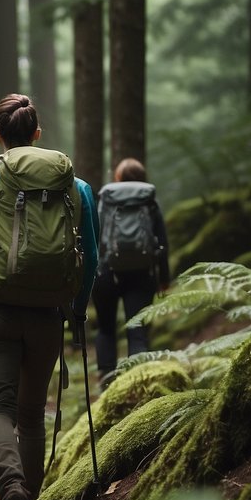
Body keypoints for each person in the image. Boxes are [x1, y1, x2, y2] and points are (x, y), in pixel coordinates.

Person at [0, 94, 98, 500]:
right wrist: (77, 311)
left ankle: (11, 492)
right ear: (37, 134)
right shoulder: (78, 189)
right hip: (49, 315)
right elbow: (92, 259)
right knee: (32, 416)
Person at [93, 157, 171, 383]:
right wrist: (163, 279)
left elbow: (95, 236)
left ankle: (107, 384)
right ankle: (137, 384)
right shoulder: (149, 200)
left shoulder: (106, 199)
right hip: (142, 272)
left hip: (106, 272)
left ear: (117, 178)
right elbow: (162, 243)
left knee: (106, 330)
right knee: (137, 331)